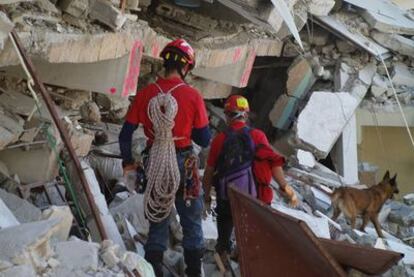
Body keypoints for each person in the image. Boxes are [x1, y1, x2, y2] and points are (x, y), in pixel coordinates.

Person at [119, 38, 211, 277]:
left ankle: (154, 272)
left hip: (155, 162)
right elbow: (204, 139)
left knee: (158, 219)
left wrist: (128, 163)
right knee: (191, 222)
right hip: (186, 164)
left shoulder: (147, 94)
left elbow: (125, 133)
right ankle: (193, 273)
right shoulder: (193, 96)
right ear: (186, 67)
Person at [202, 95, 298, 262]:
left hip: (228, 200)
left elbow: (209, 171)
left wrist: (206, 198)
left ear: (227, 115)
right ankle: (248, 264)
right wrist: (285, 187)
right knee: (254, 241)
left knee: (224, 237)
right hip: (256, 201)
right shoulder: (258, 136)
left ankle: (223, 260)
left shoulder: (219, 140)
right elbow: (273, 163)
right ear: (245, 115)